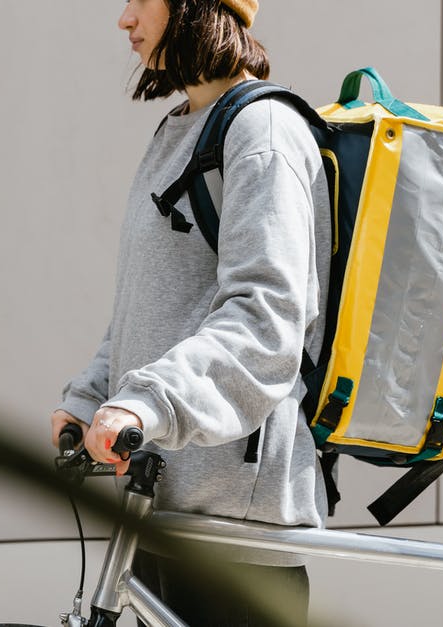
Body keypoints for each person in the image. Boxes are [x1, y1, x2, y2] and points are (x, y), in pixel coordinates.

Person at [50, 0, 330, 623]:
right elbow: (148, 301)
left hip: (234, 524)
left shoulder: (263, 131)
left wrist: (150, 402)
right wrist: (94, 395)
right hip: (166, 493)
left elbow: (267, 319)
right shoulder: (183, 127)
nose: (124, 19)